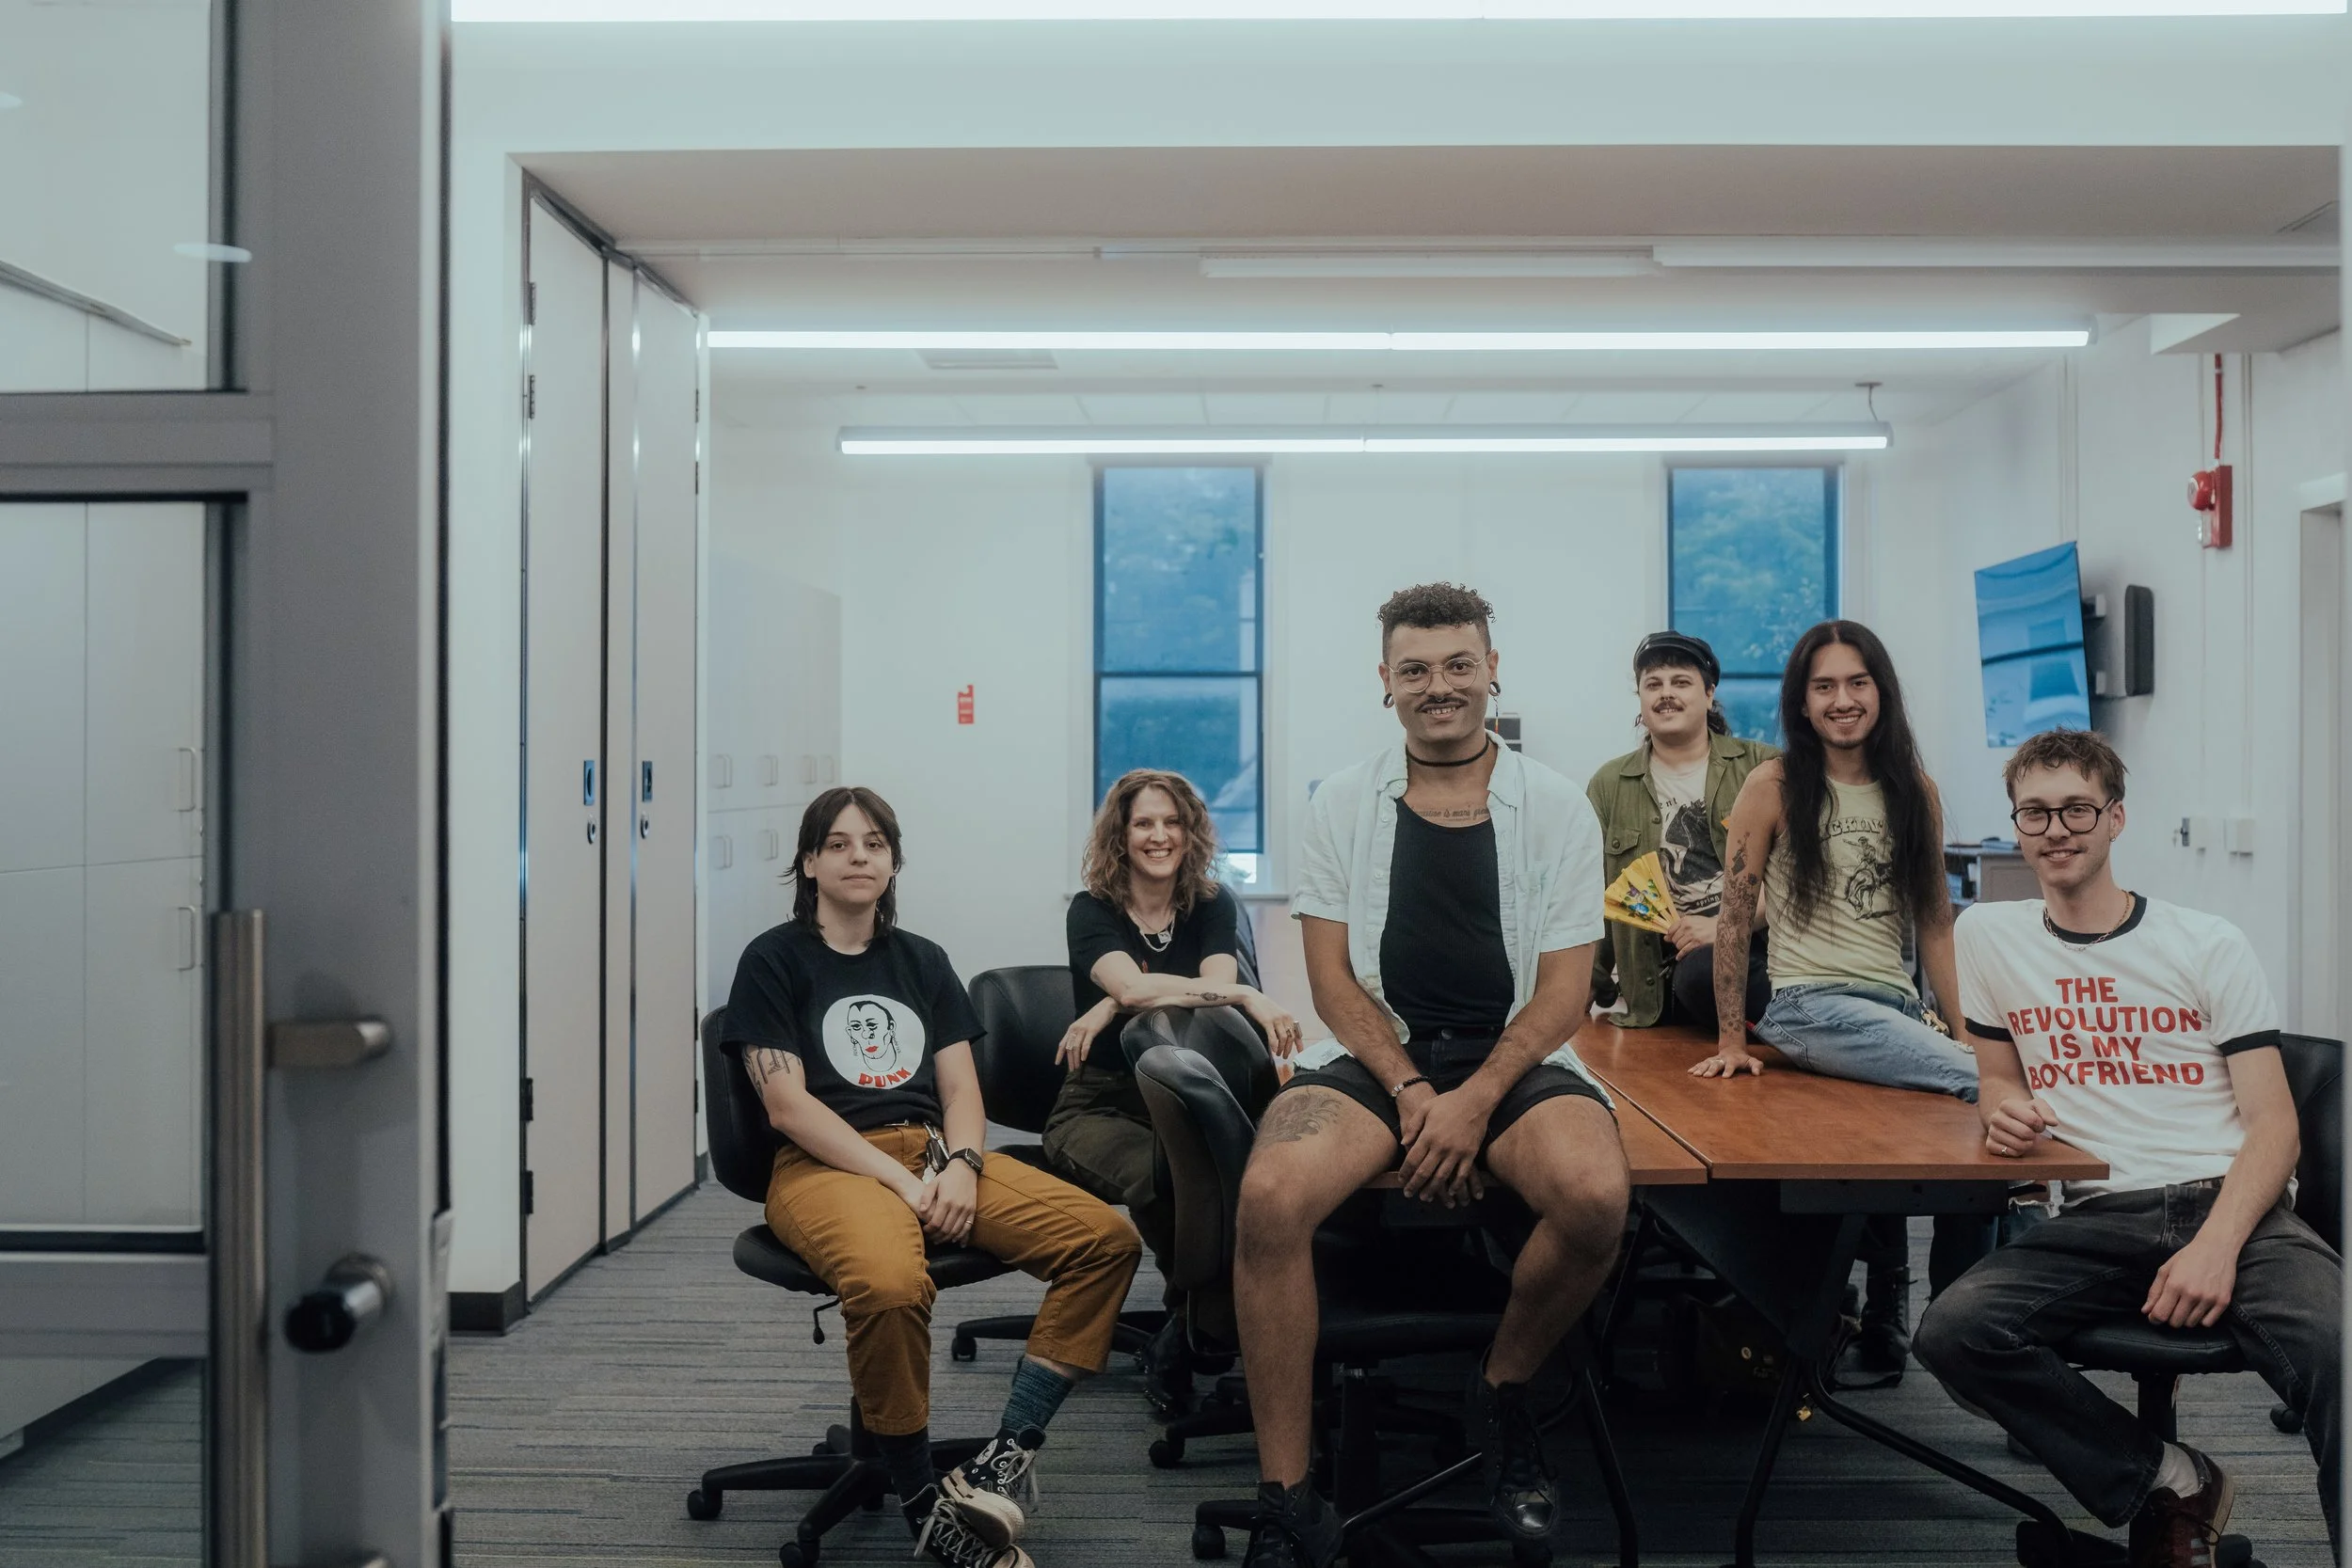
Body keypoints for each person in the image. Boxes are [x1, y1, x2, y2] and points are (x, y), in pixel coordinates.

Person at [1231, 582, 1629, 1568]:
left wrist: (1475, 1097)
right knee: (1270, 1193)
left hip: (1515, 1054)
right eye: (1415, 668)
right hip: (1379, 1056)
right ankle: (1287, 1497)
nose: (1438, 685)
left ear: (1493, 669)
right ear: (1384, 683)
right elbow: (1328, 978)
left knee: (1592, 1195)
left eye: (1458, 664)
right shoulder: (1338, 804)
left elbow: (1566, 991)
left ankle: (1500, 1389)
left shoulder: (1556, 805)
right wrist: (1413, 1090)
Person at [1915, 729, 2340, 1568]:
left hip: (2233, 1203)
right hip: (2099, 1208)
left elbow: (2276, 1125)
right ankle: (2170, 1478)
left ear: (2116, 819)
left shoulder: (2205, 941)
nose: (2056, 828)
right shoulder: (1990, 938)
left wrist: (2216, 1246)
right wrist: (2002, 1107)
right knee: (1953, 1329)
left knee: (2344, 1355)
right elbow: (1997, 1076)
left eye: (2076, 807)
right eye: (2034, 812)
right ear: (2016, 825)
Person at [723, 786, 1144, 1568]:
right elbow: (786, 1106)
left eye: (875, 843)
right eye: (840, 844)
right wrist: (903, 1182)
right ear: (809, 863)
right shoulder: (772, 960)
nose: (859, 856)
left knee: (1106, 1238)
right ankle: (926, 1504)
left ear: (893, 860)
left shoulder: (921, 959)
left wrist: (964, 1164)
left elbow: (960, 1091)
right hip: (824, 1164)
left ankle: (1003, 1457)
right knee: (888, 1280)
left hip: (931, 1151)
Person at [1692, 619, 1984, 1379]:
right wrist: (1731, 1039)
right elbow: (1732, 915)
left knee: (1987, 1112)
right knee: (1994, 1089)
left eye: (1857, 682)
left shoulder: (1915, 790)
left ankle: (1965, 1313)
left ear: (1880, 691)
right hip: (1811, 1005)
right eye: (1824, 686)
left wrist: (1964, 1030)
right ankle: (1957, 1326)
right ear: (1802, 700)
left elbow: (1936, 928)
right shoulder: (1774, 785)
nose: (1842, 699)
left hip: (1892, 1007)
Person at [1046, 768, 1299, 1410]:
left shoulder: (1212, 903)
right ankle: (1195, 1322)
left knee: (1234, 1171)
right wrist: (1243, 989)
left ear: (1190, 832)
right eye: (1143, 823)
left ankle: (1193, 1326)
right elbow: (1172, 988)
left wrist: (1112, 1005)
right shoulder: (1092, 909)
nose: (1159, 835)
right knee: (1169, 1176)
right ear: (1120, 835)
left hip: (1187, 1096)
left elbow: (1177, 994)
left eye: (1172, 822)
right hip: (1100, 1101)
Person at [1586, 630, 1777, 1032]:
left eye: (1681, 682)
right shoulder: (1609, 783)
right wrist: (1584, 992)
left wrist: (1727, 925)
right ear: (1640, 698)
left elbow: (1804, 880)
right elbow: (1600, 898)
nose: (1665, 694)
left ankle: (1807, 1030)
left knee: (1705, 970)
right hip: (1658, 986)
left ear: (1709, 695)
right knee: (1695, 976)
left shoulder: (1763, 768)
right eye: (1652, 684)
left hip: (1757, 955)